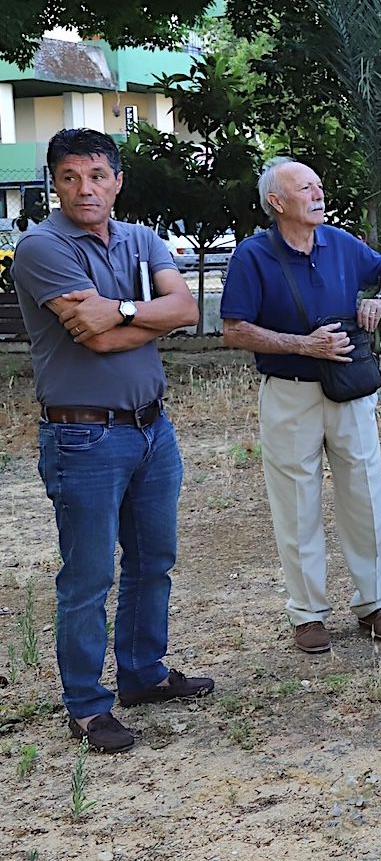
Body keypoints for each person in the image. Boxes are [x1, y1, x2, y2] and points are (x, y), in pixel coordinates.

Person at [13, 128, 215, 753]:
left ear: (117, 181)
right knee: (89, 575)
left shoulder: (142, 239)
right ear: (54, 183)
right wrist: (148, 316)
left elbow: (186, 311)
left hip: (153, 429)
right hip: (83, 436)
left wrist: (122, 310)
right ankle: (86, 706)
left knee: (154, 561)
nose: (85, 189)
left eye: (97, 175)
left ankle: (142, 674)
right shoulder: (41, 248)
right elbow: (94, 338)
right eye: (70, 177)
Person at [221, 157, 381, 654]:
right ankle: (308, 614)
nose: (318, 194)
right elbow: (234, 329)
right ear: (277, 202)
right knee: (296, 503)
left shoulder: (339, 242)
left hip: (348, 389)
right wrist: (303, 346)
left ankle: (374, 603)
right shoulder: (252, 256)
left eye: (319, 186)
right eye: (306, 188)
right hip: (290, 391)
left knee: (366, 494)